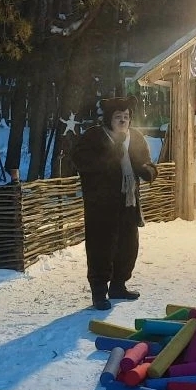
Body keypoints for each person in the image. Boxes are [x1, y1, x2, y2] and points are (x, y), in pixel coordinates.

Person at [73, 95, 158, 310]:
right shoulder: (95, 136)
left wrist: (147, 171)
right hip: (101, 205)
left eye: (126, 116)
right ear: (109, 119)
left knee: (128, 246)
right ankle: (99, 292)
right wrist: (108, 158)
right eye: (118, 116)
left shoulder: (135, 137)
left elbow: (148, 163)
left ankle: (119, 286)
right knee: (101, 248)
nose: (123, 120)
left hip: (128, 202)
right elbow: (79, 160)